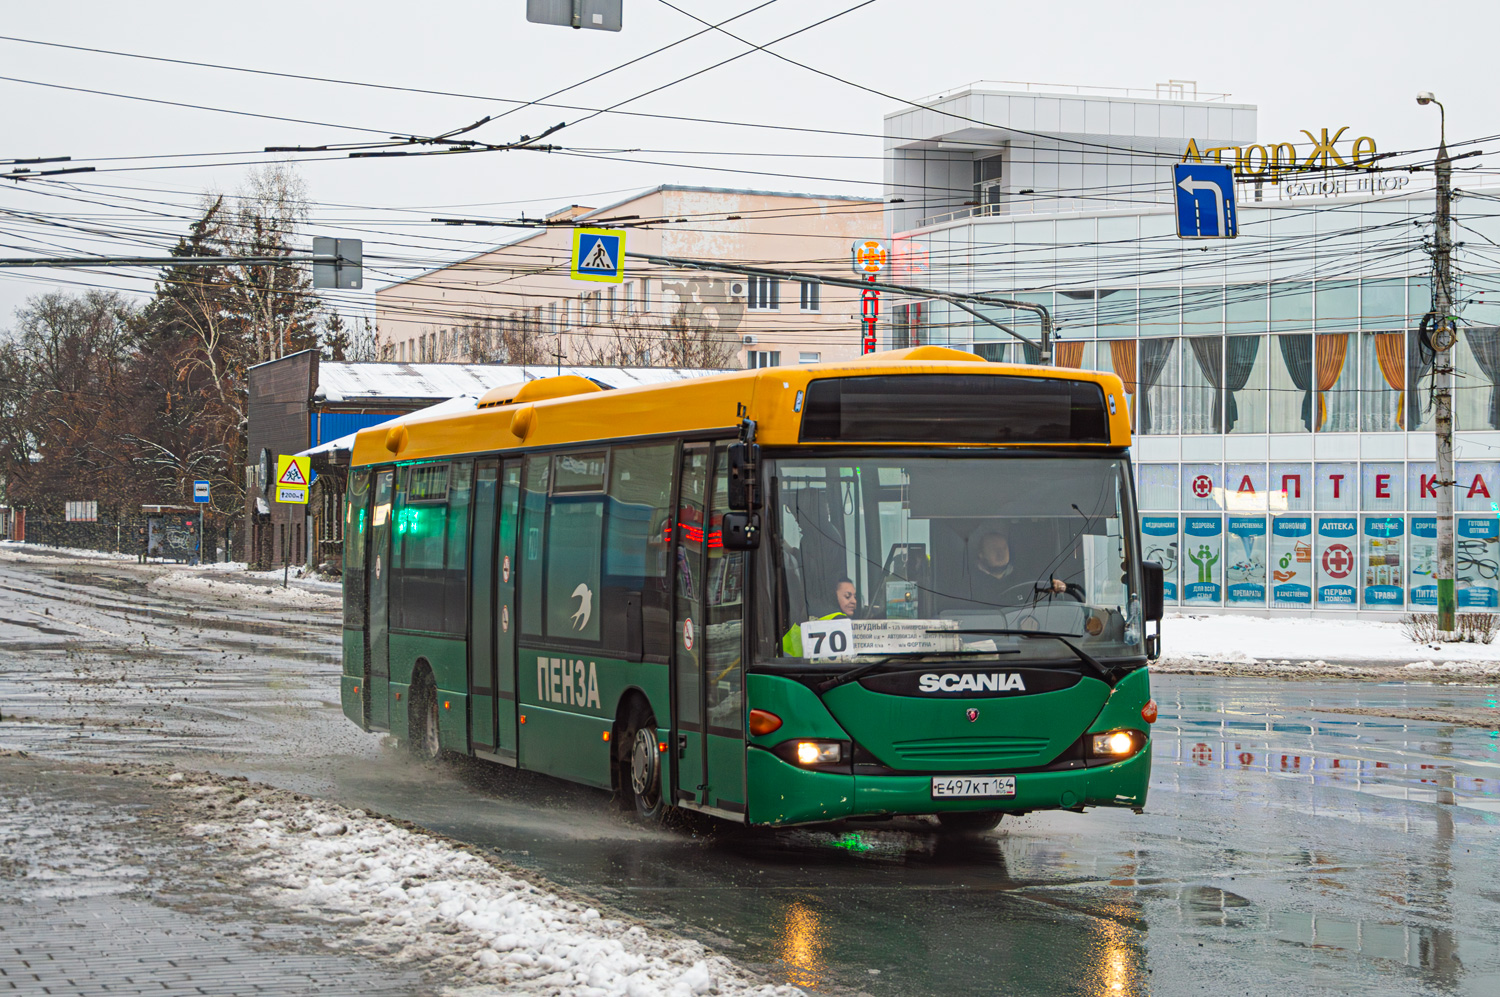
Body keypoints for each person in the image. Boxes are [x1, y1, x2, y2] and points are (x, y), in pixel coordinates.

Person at [969, 530, 1072, 606]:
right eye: (994, 548)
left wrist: (1056, 586)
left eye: (1004, 548)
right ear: (981, 554)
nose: (1001, 553)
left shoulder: (1024, 577)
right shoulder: (969, 583)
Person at [783, 577, 859, 656]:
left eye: (855, 596)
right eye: (847, 596)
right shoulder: (838, 621)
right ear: (834, 596)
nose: (854, 601)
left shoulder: (810, 615)